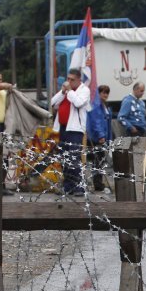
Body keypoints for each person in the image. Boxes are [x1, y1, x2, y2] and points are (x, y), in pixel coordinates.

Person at [51, 68, 91, 196]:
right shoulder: (66, 92)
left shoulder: (84, 90)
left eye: (72, 80)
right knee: (65, 158)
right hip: (63, 128)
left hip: (75, 129)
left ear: (79, 80)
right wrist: (63, 92)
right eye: (68, 79)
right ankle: (68, 186)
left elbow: (78, 103)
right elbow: (53, 103)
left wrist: (69, 91)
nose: (69, 82)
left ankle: (79, 187)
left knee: (74, 158)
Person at [86, 85, 113, 192]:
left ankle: (99, 182)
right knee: (97, 160)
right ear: (99, 93)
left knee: (100, 160)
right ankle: (97, 184)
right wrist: (101, 135)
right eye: (103, 93)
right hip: (97, 137)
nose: (105, 95)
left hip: (104, 136)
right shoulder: (96, 106)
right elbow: (96, 122)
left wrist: (108, 138)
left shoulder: (104, 106)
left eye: (107, 93)